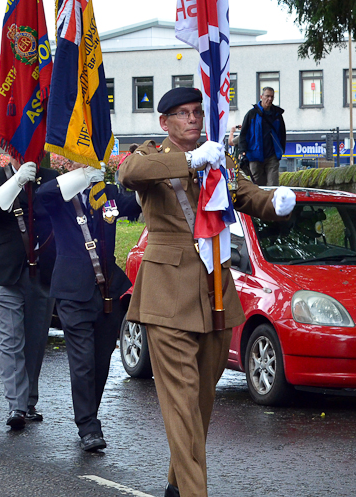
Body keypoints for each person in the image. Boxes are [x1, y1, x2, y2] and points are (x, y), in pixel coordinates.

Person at [119, 87, 296, 497]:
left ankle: (175, 485)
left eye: (197, 111)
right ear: (164, 123)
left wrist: (275, 202)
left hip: (215, 289)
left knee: (199, 402)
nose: (193, 119)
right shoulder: (150, 157)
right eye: (182, 114)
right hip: (168, 295)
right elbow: (128, 174)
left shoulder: (217, 157)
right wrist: (188, 161)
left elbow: (243, 193)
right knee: (181, 402)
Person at [38, 162, 141, 450]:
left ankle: (89, 414)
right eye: (79, 162)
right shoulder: (60, 195)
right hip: (72, 291)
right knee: (82, 361)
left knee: (100, 360)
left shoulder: (105, 193)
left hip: (107, 290)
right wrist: (79, 177)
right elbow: (42, 195)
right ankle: (88, 427)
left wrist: (154, 178)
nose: (86, 167)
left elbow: (132, 206)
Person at [0, 157, 58, 429]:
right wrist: (17, 180)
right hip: (4, 270)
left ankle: (29, 400)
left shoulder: (49, 176)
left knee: (35, 340)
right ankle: (17, 406)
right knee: (10, 340)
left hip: (42, 271)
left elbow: (65, 208)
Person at [238, 87, 286, 186]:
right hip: (255, 156)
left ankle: (272, 202)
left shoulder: (277, 114)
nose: (270, 99)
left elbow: (282, 133)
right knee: (257, 186)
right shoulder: (251, 114)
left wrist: (281, 149)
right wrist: (243, 150)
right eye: (267, 96)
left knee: (273, 185)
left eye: (272, 97)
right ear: (261, 97)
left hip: (272, 156)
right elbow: (243, 134)